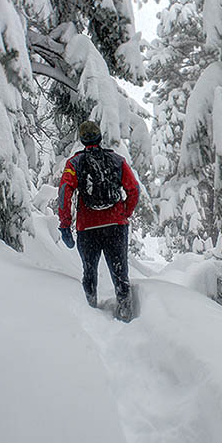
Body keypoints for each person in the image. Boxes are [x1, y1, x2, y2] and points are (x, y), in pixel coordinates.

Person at [57, 120, 140, 321]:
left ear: (82, 139)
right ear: (100, 137)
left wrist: (65, 223)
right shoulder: (117, 160)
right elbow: (134, 189)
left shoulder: (74, 163)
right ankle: (125, 314)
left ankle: (90, 312)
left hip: (88, 227)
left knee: (89, 271)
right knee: (120, 273)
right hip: (116, 225)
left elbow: (64, 191)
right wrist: (124, 213)